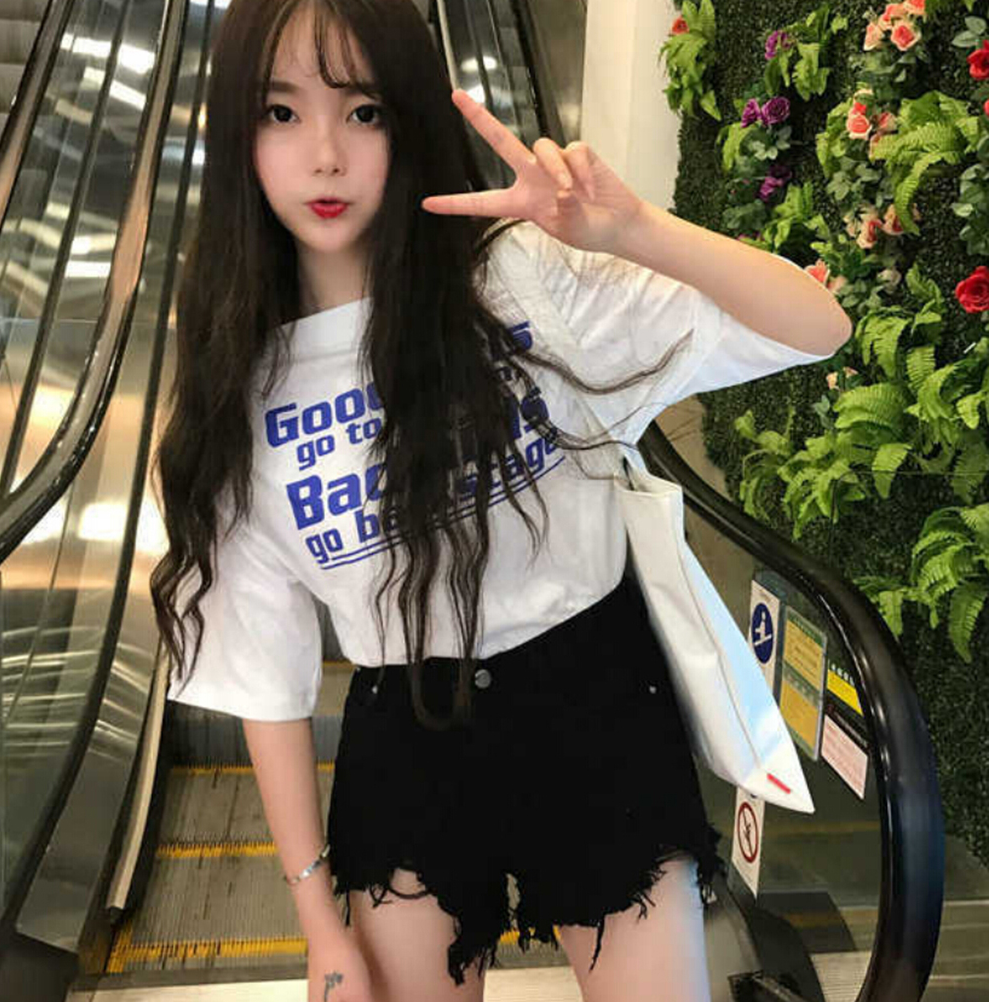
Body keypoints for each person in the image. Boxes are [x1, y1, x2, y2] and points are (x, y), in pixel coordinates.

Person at [150, 0, 852, 999]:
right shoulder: (239, 384)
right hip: (410, 738)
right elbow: (263, 675)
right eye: (281, 112)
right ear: (236, 131)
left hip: (598, 703)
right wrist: (318, 923)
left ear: (409, 117)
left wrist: (637, 231)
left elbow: (815, 325)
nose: (325, 157)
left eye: (362, 111)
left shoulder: (518, 277)